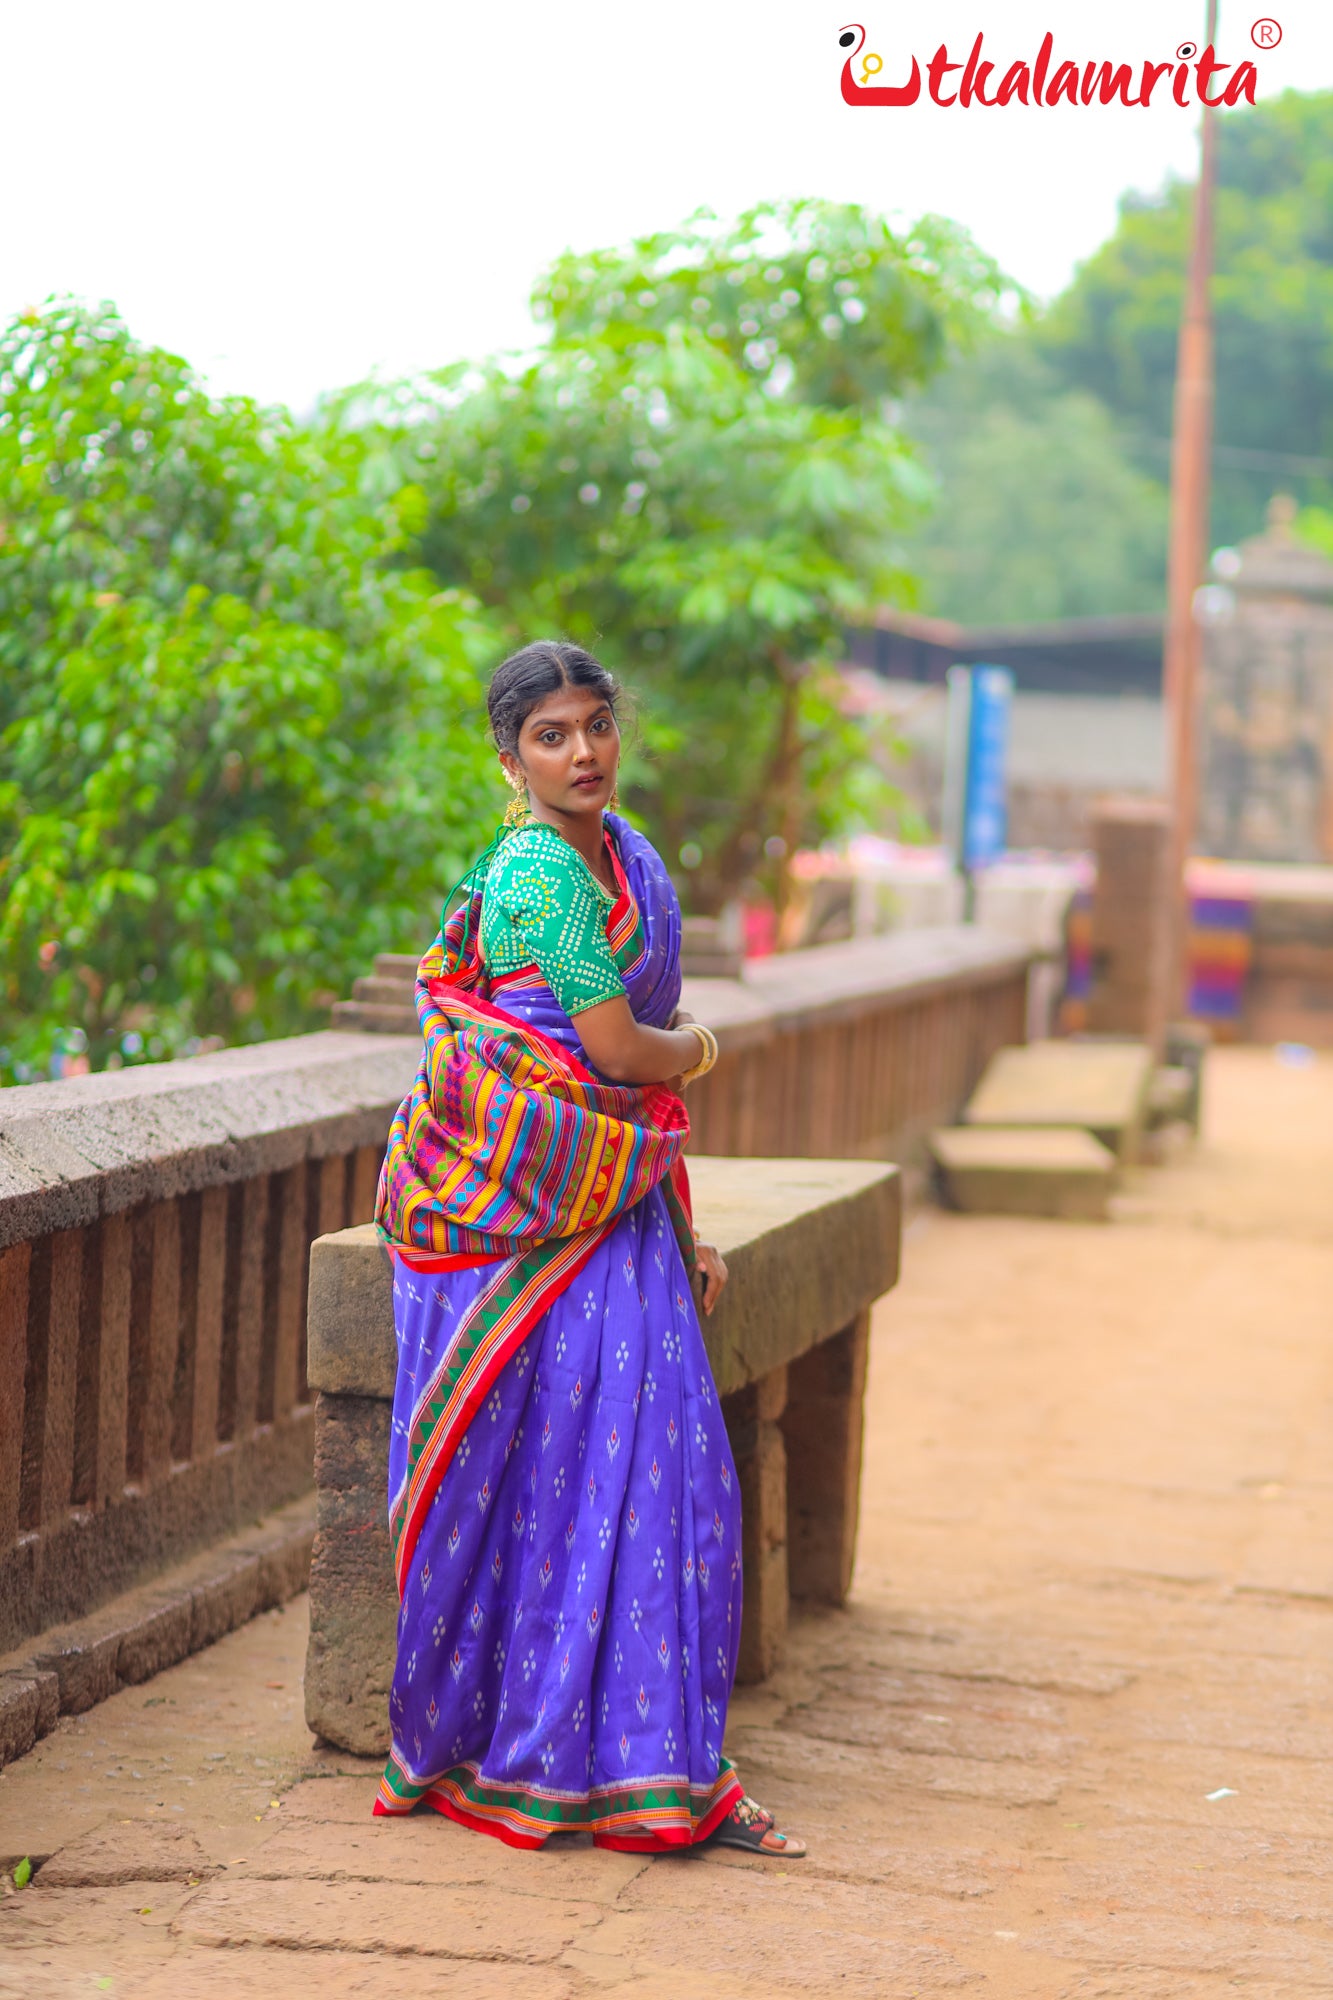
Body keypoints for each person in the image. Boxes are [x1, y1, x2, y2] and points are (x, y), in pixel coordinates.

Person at [372, 639, 805, 1859]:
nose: (582, 753)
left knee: (658, 1475)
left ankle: (649, 1762)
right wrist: (706, 1043)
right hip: (503, 1218)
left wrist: (682, 1220)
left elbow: (629, 1121)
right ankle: (530, 1751)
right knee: (563, 1485)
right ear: (509, 758)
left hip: (607, 1206)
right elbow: (623, 1056)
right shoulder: (539, 880)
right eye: (551, 736)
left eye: (596, 725)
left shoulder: (629, 865)